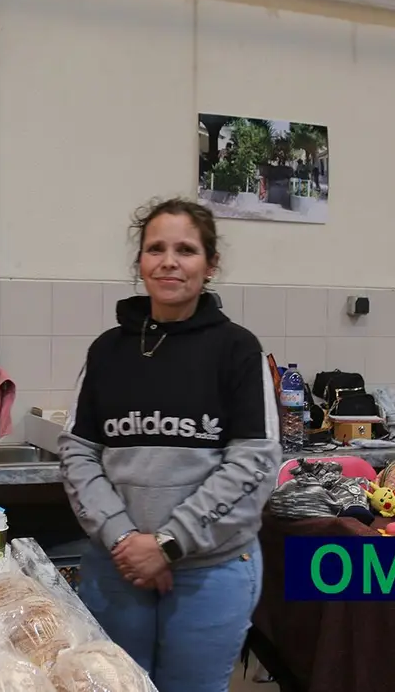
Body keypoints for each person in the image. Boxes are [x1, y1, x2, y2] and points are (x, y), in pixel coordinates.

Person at [59, 197, 281, 692]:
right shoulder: (108, 351)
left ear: (210, 264)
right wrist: (123, 539)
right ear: (139, 261)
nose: (169, 261)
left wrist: (167, 545)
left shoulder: (237, 350)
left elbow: (253, 464)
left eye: (186, 249)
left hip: (210, 572)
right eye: (155, 248)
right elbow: (77, 453)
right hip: (117, 567)